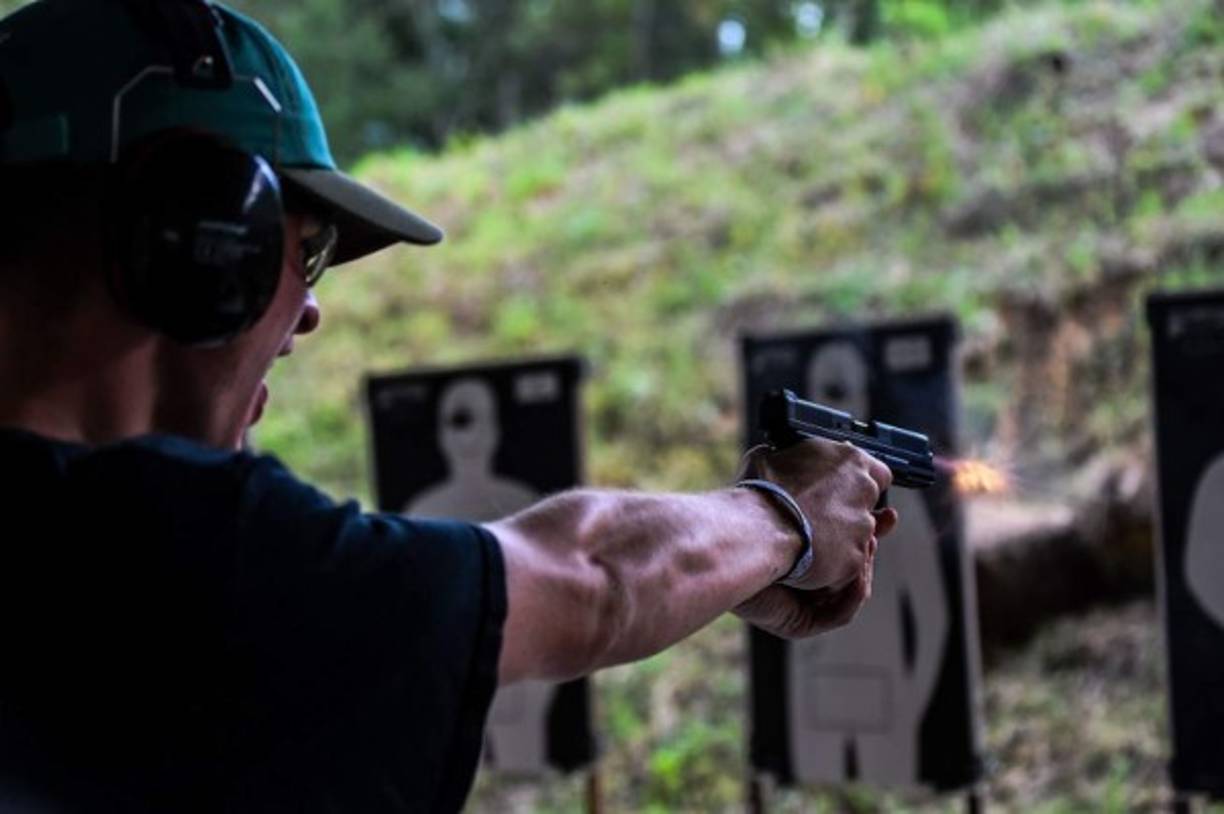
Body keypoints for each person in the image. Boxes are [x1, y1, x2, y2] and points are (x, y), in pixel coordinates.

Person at [0, 0, 897, 811]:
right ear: (205, 238)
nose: (309, 310)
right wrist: (788, 520)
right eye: (305, 251)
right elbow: (593, 580)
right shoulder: (179, 561)